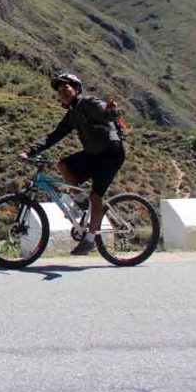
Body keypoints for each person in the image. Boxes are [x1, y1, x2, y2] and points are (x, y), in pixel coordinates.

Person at [21, 73, 125, 255]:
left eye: (66, 88)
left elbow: (105, 112)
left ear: (76, 89)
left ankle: (90, 239)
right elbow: (53, 136)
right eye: (60, 90)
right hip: (93, 154)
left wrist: (111, 111)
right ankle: (80, 200)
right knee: (64, 165)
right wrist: (29, 151)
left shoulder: (88, 103)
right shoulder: (72, 115)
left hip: (111, 153)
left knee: (96, 195)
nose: (63, 92)